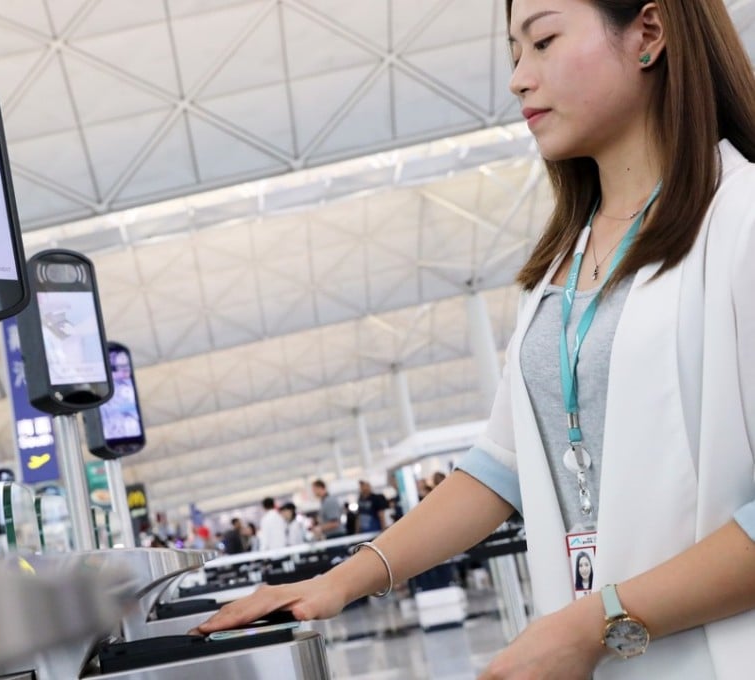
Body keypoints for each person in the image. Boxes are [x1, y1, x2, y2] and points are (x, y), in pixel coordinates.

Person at [197, 2, 755, 678]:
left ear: (649, 33)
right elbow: (502, 466)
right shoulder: (562, 267)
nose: (519, 78)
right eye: (514, 52)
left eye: (544, 41)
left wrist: (596, 623)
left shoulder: (743, 221)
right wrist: (340, 581)